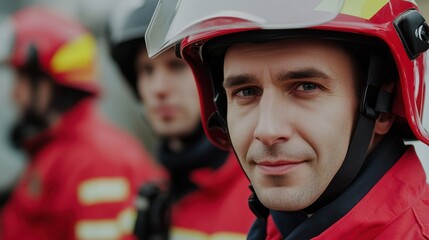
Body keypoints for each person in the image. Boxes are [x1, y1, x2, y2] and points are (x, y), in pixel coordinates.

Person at [145, 0, 429, 239]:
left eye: (306, 87)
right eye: (246, 92)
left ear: (382, 108)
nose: (267, 130)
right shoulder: (279, 227)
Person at [0, 6, 163, 240]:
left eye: (22, 80)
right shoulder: (54, 150)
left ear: (51, 84)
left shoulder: (97, 162)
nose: (14, 94)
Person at [107, 0, 256, 239]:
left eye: (175, 67)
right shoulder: (147, 192)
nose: (159, 89)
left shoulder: (262, 197)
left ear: (215, 77)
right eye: (147, 71)